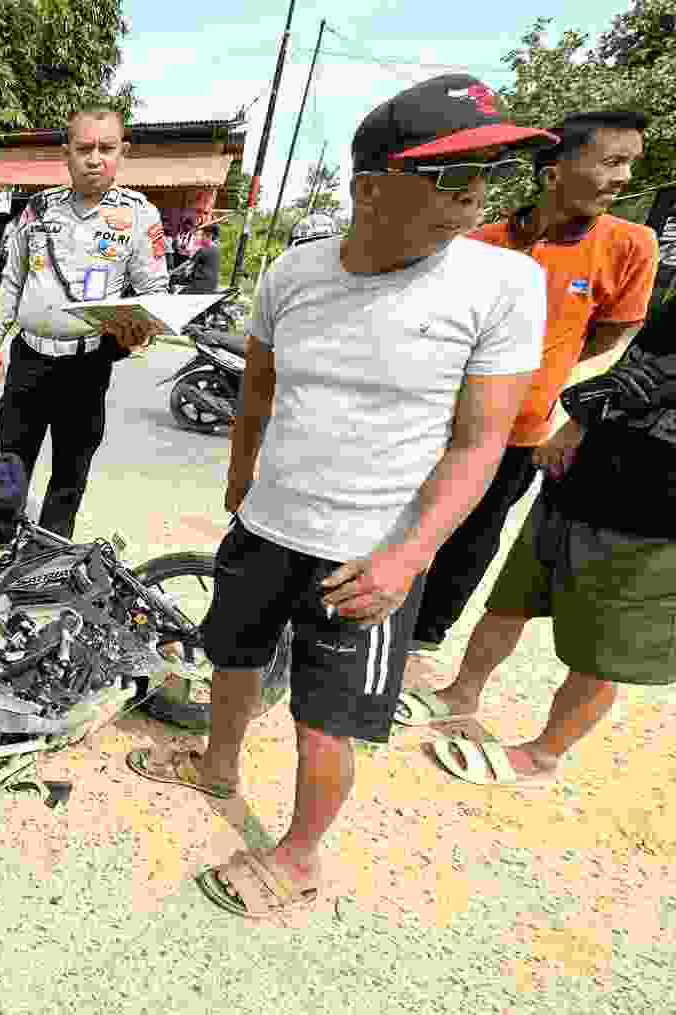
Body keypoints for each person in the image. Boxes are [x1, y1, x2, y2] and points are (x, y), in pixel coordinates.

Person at [127, 74, 552, 919]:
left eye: (488, 171)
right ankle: (216, 768)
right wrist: (242, 482)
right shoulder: (293, 272)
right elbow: (257, 391)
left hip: (369, 552)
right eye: (448, 176)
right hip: (268, 526)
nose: (475, 194)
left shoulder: (502, 286)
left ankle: (298, 853)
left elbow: (480, 443)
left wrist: (408, 556)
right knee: (234, 656)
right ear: (368, 189)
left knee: (329, 721)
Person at [400, 110, 655, 668]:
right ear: (554, 170)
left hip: (517, 433)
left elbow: (609, 336)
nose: (624, 178)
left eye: (630, 164)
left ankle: (422, 641)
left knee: (472, 537)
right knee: (407, 521)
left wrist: (534, 377)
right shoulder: (481, 244)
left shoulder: (630, 245)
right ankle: (377, 621)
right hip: (434, 421)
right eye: (612, 161)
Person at [425, 296, 676, 787]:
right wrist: (576, 424)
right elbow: (636, 364)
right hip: (582, 477)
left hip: (656, 519)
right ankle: (462, 693)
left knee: (604, 650)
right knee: (510, 602)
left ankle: (543, 755)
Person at [0, 106, 171, 551]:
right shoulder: (37, 209)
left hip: (87, 364)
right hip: (28, 358)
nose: (95, 159)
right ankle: (2, 528)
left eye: (106, 149)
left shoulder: (139, 216)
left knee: (71, 466)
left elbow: (155, 293)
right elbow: (12, 280)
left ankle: (49, 551)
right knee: (10, 455)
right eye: (84, 148)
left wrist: (143, 329)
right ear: (67, 153)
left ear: (122, 153)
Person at [176, 222, 222, 294]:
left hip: (201, 284)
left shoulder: (203, 250)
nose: (200, 238)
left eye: (202, 235)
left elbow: (187, 263)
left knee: (181, 293)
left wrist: (172, 272)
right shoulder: (217, 250)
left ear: (209, 236)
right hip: (213, 284)